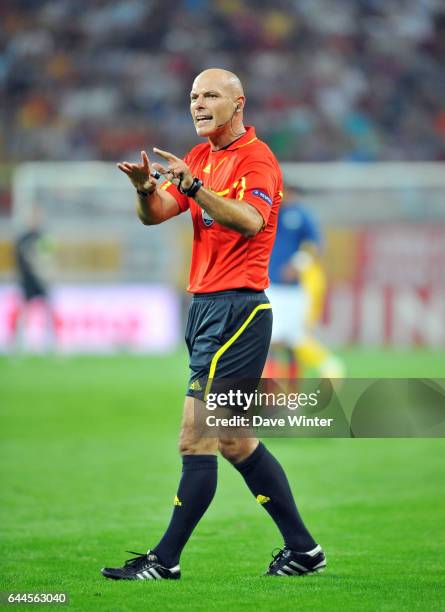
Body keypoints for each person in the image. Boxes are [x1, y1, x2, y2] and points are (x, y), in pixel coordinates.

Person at [101, 69, 326, 581]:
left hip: (238, 311)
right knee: (235, 441)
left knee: (194, 437)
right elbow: (157, 213)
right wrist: (143, 191)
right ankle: (304, 551)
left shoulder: (256, 159)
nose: (198, 104)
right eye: (193, 96)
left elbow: (250, 220)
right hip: (206, 308)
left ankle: (164, 561)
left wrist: (196, 188)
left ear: (238, 103)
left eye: (210, 96)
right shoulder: (200, 157)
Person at [267, 188, 345, 380]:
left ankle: (278, 386)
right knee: (281, 341)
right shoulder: (270, 213)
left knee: (278, 341)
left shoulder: (300, 215)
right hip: (270, 286)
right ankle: (282, 387)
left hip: (292, 290)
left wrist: (297, 264)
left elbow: (315, 244)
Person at [13, 208, 55, 352]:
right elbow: (20, 261)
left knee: (48, 311)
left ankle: (51, 345)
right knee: (24, 312)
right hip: (28, 281)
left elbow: (49, 259)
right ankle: (17, 345)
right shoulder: (23, 239)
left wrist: (47, 275)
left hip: (41, 280)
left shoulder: (42, 238)